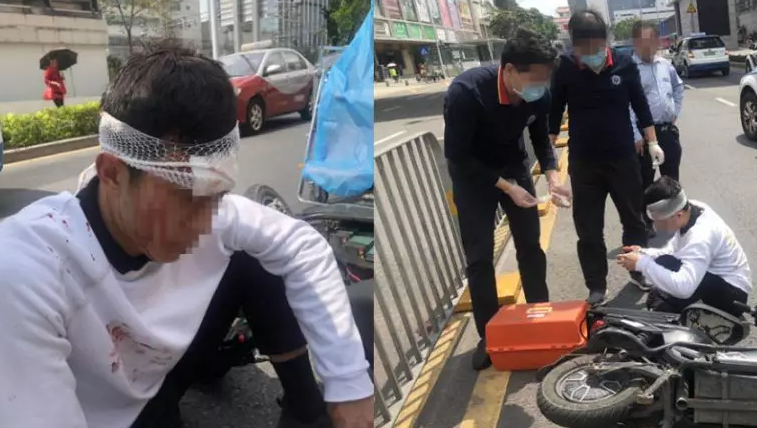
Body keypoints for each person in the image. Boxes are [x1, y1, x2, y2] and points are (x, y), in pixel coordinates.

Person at [0, 44, 373, 428]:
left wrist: (349, 384)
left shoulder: (208, 213)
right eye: (184, 195)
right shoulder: (27, 268)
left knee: (257, 252)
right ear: (112, 172)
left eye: (216, 195)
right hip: (110, 413)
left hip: (164, 374)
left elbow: (303, 245)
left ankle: (306, 411)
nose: (204, 221)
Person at [443, 30, 570, 371]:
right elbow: (457, 157)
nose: (541, 87)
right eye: (535, 79)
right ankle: (489, 336)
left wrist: (553, 176)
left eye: (545, 80)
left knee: (530, 245)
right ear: (510, 70)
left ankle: (539, 315)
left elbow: (540, 139)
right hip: (472, 177)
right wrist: (505, 187)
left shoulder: (538, 94)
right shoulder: (466, 93)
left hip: (514, 166)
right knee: (479, 257)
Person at [549, 9, 665, 305]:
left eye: (597, 47)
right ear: (574, 45)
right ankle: (596, 285)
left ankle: (638, 269)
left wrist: (652, 141)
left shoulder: (624, 64)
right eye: (584, 49)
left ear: (606, 41)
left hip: (622, 158)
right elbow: (553, 112)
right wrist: (549, 162)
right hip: (584, 163)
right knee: (588, 229)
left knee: (634, 220)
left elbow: (640, 105)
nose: (592, 54)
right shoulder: (565, 67)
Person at [617, 177, 752, 317]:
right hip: (717, 278)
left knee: (664, 290)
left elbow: (684, 288)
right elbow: (676, 251)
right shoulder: (691, 208)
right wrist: (643, 253)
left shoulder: (701, 236)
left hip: (733, 295)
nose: (655, 227)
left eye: (658, 221)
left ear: (678, 215)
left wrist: (642, 264)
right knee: (663, 274)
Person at [629, 20, 686, 243]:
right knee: (643, 183)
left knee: (671, 180)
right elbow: (626, 105)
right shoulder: (630, 69)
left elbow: (678, 87)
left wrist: (675, 111)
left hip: (667, 131)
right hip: (643, 136)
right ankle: (645, 223)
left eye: (652, 40)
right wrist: (636, 136)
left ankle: (675, 220)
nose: (648, 46)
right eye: (643, 41)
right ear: (635, 42)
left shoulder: (665, 64)